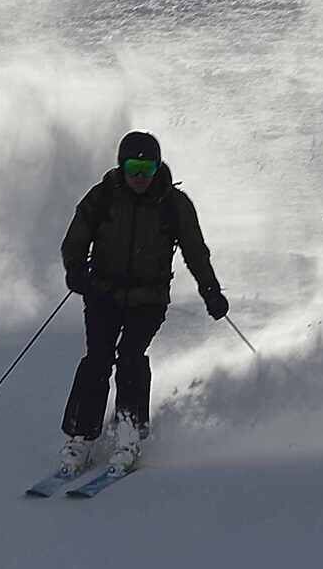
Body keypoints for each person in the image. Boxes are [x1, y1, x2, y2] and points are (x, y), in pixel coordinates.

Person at [57, 128, 229, 476]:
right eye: (134, 168)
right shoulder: (103, 197)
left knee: (130, 359)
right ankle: (81, 436)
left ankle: (129, 434)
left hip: (148, 299)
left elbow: (196, 252)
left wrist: (211, 291)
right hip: (102, 293)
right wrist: (75, 269)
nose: (140, 177)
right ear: (121, 166)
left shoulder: (173, 205)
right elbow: (75, 238)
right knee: (97, 360)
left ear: (157, 168)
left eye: (147, 169)